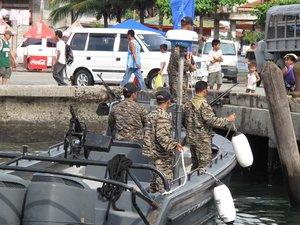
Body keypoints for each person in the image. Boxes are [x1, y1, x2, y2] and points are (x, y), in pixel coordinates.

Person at [184, 81, 236, 170]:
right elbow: (212, 121)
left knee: (195, 163)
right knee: (205, 166)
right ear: (204, 91)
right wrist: (228, 119)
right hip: (202, 140)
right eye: (206, 90)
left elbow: (184, 120)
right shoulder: (204, 105)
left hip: (191, 139)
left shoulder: (188, 103)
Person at [143, 90, 183, 192]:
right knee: (164, 187)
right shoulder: (163, 116)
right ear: (168, 102)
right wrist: (174, 145)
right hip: (162, 157)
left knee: (154, 184)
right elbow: (161, 136)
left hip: (154, 155)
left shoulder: (151, 114)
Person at [167, 16, 196, 104]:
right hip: (176, 73)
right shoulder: (178, 36)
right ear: (188, 26)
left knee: (182, 98)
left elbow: (184, 52)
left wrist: (191, 62)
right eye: (191, 26)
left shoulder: (185, 36)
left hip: (180, 72)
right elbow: (177, 56)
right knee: (179, 99)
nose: (192, 28)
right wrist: (189, 66)